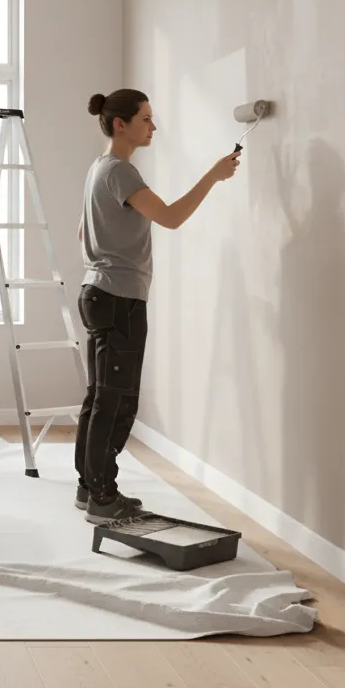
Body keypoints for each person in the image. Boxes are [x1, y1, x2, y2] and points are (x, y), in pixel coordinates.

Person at [75, 89, 240, 523]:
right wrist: (213, 176)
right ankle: (102, 497)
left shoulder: (98, 168)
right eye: (146, 119)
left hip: (97, 292)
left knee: (100, 397)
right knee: (117, 403)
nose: (154, 126)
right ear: (120, 124)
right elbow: (170, 217)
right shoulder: (120, 171)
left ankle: (89, 488)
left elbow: (82, 232)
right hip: (118, 298)